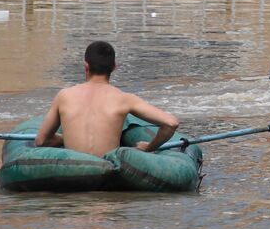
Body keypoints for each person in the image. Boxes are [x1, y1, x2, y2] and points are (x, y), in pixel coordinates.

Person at [35, 41, 180, 157]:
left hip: (73, 170)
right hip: (106, 169)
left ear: (86, 65)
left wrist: (65, 138)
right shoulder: (124, 99)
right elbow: (171, 123)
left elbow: (41, 141)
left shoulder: (64, 96)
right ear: (114, 67)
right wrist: (149, 147)